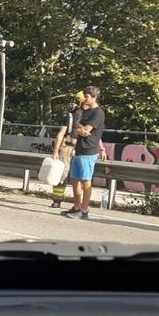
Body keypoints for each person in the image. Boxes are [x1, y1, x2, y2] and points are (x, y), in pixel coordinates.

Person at [65, 86, 105, 220]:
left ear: (94, 97)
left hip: (88, 150)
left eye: (87, 96)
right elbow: (76, 128)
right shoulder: (87, 111)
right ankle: (76, 206)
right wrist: (80, 129)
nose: (84, 98)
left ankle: (84, 209)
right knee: (75, 180)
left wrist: (80, 129)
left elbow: (86, 130)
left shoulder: (97, 113)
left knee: (85, 180)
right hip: (79, 149)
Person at [50, 92, 85, 209]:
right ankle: (57, 200)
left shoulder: (91, 117)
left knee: (80, 177)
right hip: (67, 149)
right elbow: (61, 134)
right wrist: (56, 151)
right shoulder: (70, 117)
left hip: (82, 150)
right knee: (62, 175)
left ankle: (78, 204)